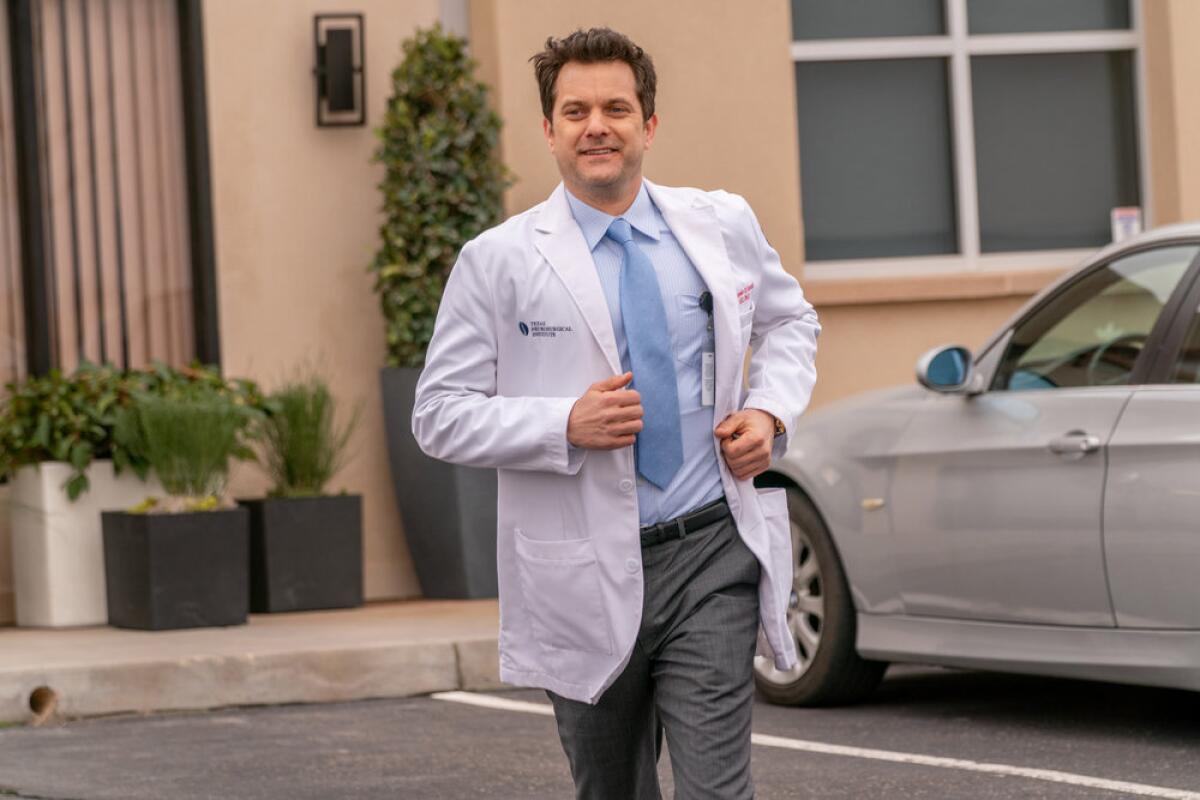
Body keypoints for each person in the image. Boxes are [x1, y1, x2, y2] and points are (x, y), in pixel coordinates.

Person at [413, 26, 820, 799]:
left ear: (649, 124)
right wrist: (562, 423)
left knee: (716, 790)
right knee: (612, 787)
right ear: (549, 130)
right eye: (575, 111)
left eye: (616, 108)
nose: (596, 126)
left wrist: (768, 410)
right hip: (582, 568)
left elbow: (790, 323)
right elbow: (438, 413)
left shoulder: (719, 225)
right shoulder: (497, 260)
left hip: (709, 551)